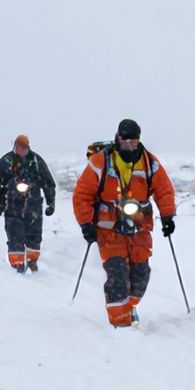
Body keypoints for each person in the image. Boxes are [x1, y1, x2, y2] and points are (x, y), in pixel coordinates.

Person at [73, 119, 176, 328]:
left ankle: (129, 307)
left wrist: (168, 216)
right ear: (118, 137)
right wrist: (86, 223)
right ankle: (121, 324)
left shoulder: (149, 163)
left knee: (141, 275)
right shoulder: (101, 162)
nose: (130, 145)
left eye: (134, 141)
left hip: (140, 227)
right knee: (117, 273)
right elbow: (82, 194)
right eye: (126, 140)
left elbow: (164, 189)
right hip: (108, 229)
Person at [0, 134, 56, 273]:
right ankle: (17, 264)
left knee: (34, 234)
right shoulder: (6, 161)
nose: (20, 149)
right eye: (18, 146)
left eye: (23, 147)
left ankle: (32, 261)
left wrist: (51, 203)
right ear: (14, 146)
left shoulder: (36, 161)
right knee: (14, 234)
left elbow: (48, 182)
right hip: (13, 204)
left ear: (28, 148)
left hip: (34, 203)